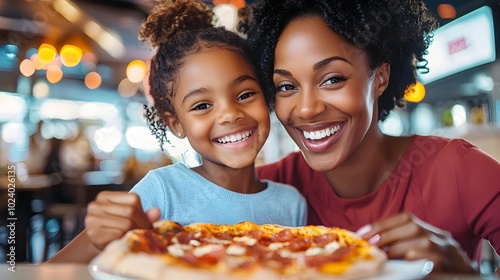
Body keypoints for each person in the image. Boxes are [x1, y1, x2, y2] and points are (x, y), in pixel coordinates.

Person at [246, 0, 500, 275]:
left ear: (379, 78)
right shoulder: (265, 188)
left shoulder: (458, 168)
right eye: (287, 86)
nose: (307, 108)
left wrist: (470, 276)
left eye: (332, 79)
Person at [47, 0, 306, 263]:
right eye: (202, 105)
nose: (229, 114)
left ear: (266, 96)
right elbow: (52, 271)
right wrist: (95, 241)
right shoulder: (162, 191)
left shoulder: (292, 204)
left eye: (246, 94)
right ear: (176, 124)